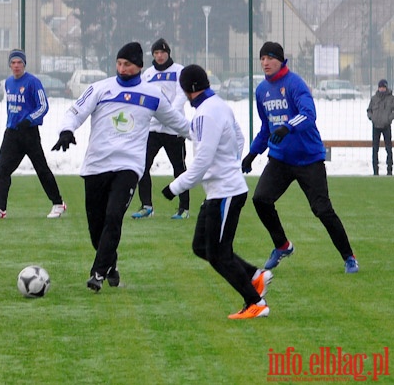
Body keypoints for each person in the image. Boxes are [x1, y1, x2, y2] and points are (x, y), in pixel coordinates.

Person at [51, 42, 188, 292]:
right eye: (119, 63)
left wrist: (204, 136)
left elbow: (179, 123)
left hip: (129, 166)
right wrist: (66, 131)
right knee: (96, 228)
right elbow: (75, 112)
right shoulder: (100, 88)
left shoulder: (153, 94)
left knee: (114, 217)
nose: (122, 69)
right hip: (96, 165)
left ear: (139, 66)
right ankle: (110, 264)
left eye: (127, 64)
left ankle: (97, 274)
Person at [161, 65, 272, 319]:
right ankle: (256, 276)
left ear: (189, 89)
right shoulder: (218, 106)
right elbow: (239, 138)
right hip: (220, 190)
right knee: (201, 246)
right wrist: (229, 164)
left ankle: (256, 303)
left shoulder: (205, 114)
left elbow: (201, 162)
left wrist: (175, 187)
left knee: (219, 255)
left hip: (226, 192)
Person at [242, 42, 358, 273]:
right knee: (260, 199)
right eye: (262, 58)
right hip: (280, 160)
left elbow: (309, 115)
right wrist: (253, 154)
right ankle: (282, 245)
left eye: (270, 58)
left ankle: (349, 257)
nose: (265, 63)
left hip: (308, 159)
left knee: (322, 209)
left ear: (281, 60)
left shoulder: (295, 84)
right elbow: (267, 127)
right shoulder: (261, 91)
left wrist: (287, 127)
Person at [0, 49, 66, 219]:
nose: (16, 66)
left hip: (29, 133)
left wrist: (30, 119)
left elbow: (43, 106)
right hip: (12, 133)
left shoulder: (33, 82)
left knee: (41, 169)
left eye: (19, 62)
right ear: (10, 65)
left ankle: (58, 204)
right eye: (13, 63)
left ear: (24, 64)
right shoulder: (8, 83)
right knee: (3, 169)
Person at [132, 38, 190, 220]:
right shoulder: (147, 74)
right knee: (142, 166)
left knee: (179, 168)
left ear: (168, 53)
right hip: (153, 129)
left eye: (162, 53)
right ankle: (146, 206)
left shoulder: (179, 71)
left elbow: (182, 95)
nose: (159, 56)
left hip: (174, 129)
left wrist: (169, 114)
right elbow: (142, 96)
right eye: (156, 53)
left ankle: (184, 208)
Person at [367, 79, 393, 176]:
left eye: (383, 87)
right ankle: (375, 170)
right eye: (380, 87)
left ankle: (389, 169)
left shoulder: (391, 98)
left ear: (386, 87)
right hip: (376, 126)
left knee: (388, 148)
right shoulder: (374, 98)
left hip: (386, 126)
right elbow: (369, 110)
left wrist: (389, 119)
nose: (382, 89)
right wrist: (372, 118)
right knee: (375, 148)